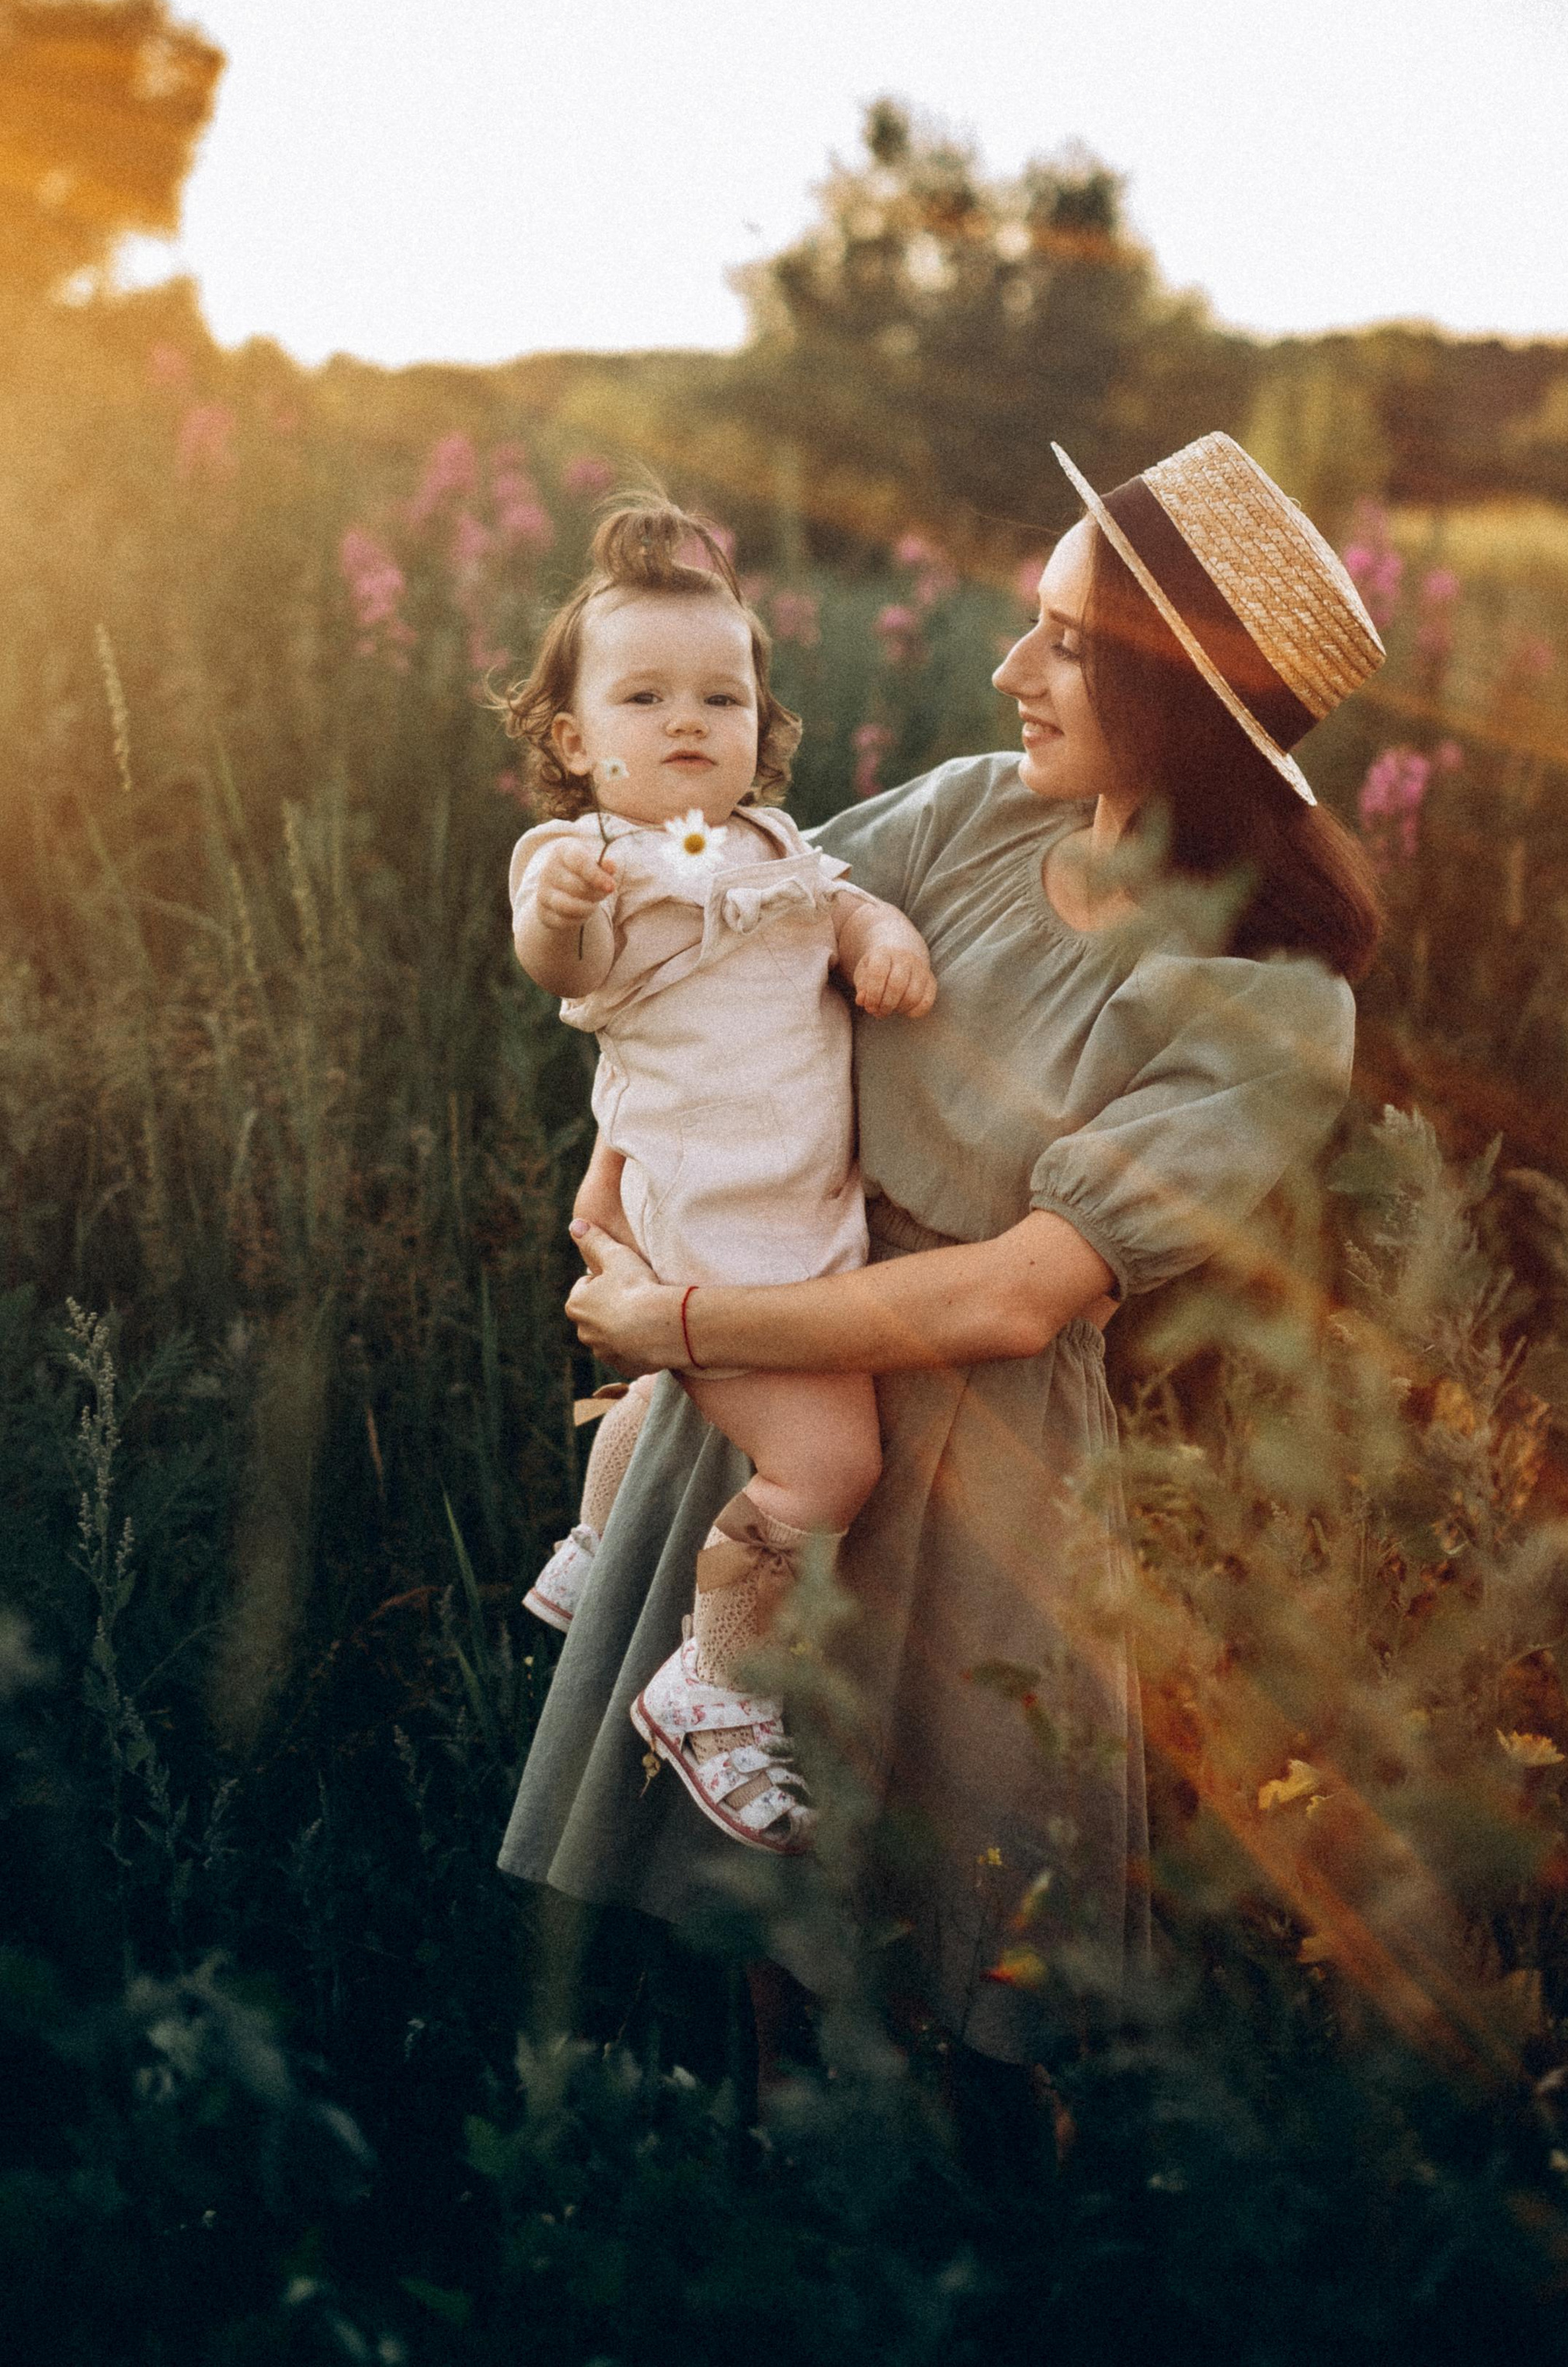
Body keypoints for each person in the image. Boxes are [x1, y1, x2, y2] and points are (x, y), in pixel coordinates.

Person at [499, 430, 1385, 2067]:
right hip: (774, 1378)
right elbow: (725, 947)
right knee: (733, 1919)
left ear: (1177, 693)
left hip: (970, 1467)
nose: (1008, 667)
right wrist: (621, 1152)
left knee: (937, 1954)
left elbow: (1015, 1292)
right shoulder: (974, 814)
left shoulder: (1267, 998)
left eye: (1062, 638)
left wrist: (678, 1320)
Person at [502, 492, 935, 1854]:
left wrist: (877, 934)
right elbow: (558, 964)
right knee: (827, 1463)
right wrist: (557, 915)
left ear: (760, 722)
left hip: (781, 1220)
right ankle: (715, 1682)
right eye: (642, 697)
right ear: (576, 742)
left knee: (663, 1394)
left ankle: (598, 1538)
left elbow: (826, 900)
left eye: (722, 696)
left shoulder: (768, 846)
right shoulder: (594, 860)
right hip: (715, 1237)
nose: (688, 721)